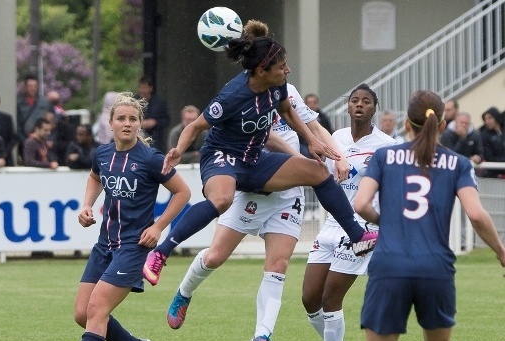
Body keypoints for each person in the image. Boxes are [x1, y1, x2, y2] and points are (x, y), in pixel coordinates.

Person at [165, 19, 345, 341]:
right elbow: (265, 137)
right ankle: (183, 292)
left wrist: (337, 155)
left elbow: (312, 125)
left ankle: (261, 336)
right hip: (254, 182)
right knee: (215, 256)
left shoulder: (284, 89)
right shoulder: (244, 93)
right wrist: (296, 158)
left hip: (286, 190)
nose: (284, 68)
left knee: (277, 265)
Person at [142, 23, 378, 286]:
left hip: (254, 159)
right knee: (222, 199)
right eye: (281, 66)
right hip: (223, 157)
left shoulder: (277, 84)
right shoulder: (231, 96)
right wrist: (178, 151)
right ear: (260, 70)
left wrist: (310, 140)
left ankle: (357, 237)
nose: (287, 70)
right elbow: (195, 126)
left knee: (318, 171)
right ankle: (161, 252)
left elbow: (288, 112)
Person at [353, 90, 505, 341]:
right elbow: (475, 214)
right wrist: (502, 252)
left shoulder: (384, 156)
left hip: (389, 266)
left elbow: (360, 204)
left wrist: (387, 220)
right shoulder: (459, 163)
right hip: (435, 267)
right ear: (443, 122)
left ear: (407, 123)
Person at [35, 93, 191, 341]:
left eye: (133, 119)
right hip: (105, 243)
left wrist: (159, 226)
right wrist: (86, 206)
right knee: (82, 313)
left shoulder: (151, 159)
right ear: (111, 123)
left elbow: (183, 193)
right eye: (121, 118)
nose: (127, 123)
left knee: (96, 309)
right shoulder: (103, 154)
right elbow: (95, 177)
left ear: (140, 124)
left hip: (133, 247)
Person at [302, 84, 397, 341]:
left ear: (374, 108)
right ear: (347, 107)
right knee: (309, 299)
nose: (359, 105)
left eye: (365, 101)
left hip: (362, 229)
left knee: (331, 298)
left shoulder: (386, 145)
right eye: (354, 100)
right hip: (332, 225)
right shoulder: (336, 139)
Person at [16, 73, 51, 159]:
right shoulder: (19, 103)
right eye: (30, 86)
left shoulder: (45, 102)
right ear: (25, 86)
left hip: (43, 142)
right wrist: (25, 142)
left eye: (35, 86)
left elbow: (53, 121)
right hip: (27, 142)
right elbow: (18, 126)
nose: (32, 88)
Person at [137, 75, 170, 152]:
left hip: (156, 139)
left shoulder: (159, 103)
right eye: (140, 87)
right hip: (138, 138)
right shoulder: (134, 102)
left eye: (144, 88)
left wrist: (155, 122)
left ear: (150, 88)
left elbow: (166, 120)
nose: (142, 90)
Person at [478, 106, 505, 177]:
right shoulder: (484, 136)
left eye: (490, 118)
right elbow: (489, 156)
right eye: (485, 119)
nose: (487, 121)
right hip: (496, 174)